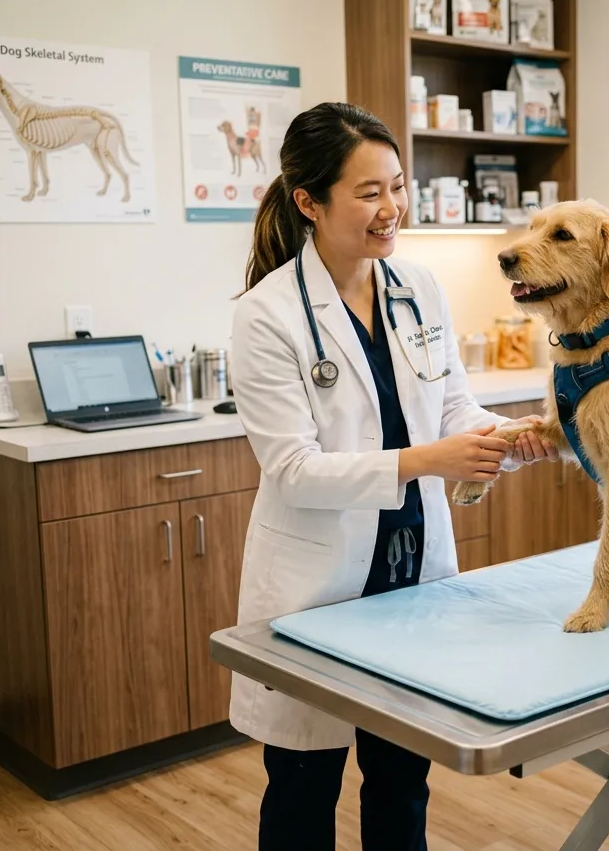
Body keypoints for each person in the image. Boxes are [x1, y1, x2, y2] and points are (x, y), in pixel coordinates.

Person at [228, 101, 556, 850]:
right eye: (369, 192)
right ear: (309, 201)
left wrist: (497, 438)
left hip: (411, 582)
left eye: (398, 187)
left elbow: (450, 404)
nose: (392, 209)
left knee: (403, 783)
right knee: (304, 794)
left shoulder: (417, 286)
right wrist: (425, 463)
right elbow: (293, 470)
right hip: (319, 591)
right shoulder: (266, 314)